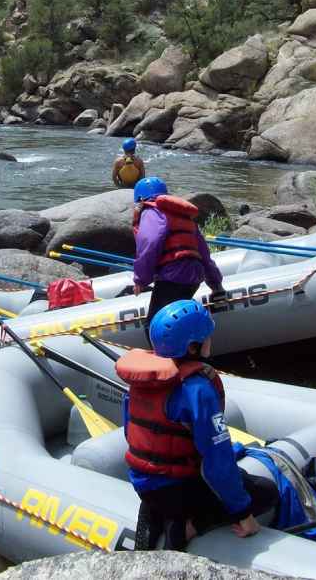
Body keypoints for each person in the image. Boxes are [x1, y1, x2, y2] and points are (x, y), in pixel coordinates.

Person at [116, 299, 277, 550]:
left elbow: (130, 431)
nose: (211, 339)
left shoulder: (142, 381)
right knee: (266, 492)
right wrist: (243, 514)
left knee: (161, 489)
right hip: (179, 490)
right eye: (207, 336)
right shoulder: (197, 389)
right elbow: (217, 462)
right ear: (192, 347)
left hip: (145, 486)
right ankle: (191, 526)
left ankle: (152, 527)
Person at [132, 176, 224, 339]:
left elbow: (149, 243)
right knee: (175, 322)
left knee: (155, 326)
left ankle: (171, 362)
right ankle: (191, 355)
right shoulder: (183, 216)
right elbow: (203, 253)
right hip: (194, 275)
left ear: (140, 198)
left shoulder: (151, 211)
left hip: (174, 274)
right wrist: (215, 284)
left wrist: (141, 279)